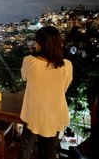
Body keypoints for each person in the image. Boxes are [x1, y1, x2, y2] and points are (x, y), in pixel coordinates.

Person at [18, 26, 73, 159]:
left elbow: (24, 77)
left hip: (33, 112)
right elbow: (63, 89)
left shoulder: (29, 61)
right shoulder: (67, 65)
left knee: (26, 146)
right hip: (55, 113)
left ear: (41, 44)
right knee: (50, 150)